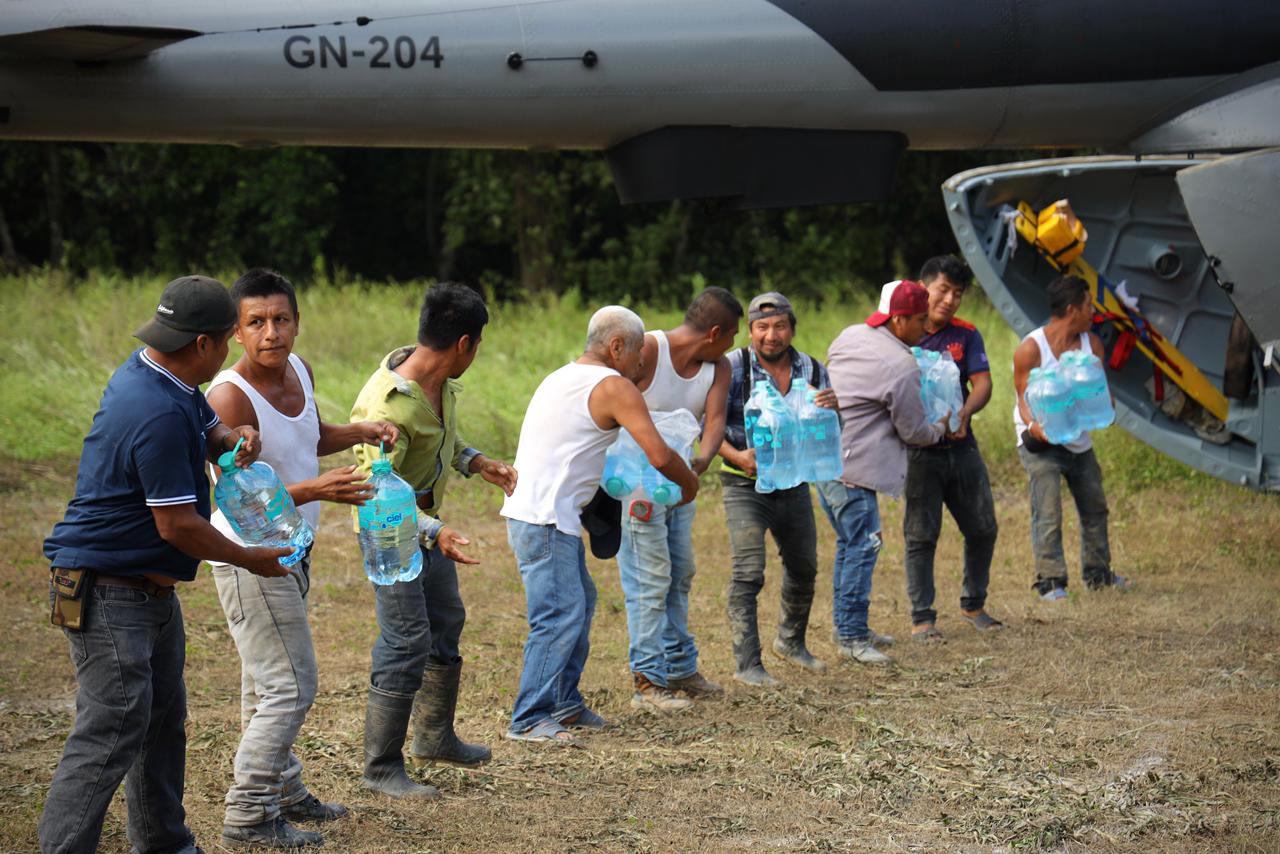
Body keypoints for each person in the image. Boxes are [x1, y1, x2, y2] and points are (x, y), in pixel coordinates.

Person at [39, 276, 294, 854]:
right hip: (108, 591)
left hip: (148, 592)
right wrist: (249, 557)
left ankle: (164, 843)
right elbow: (176, 525)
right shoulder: (153, 409)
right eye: (230, 337)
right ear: (206, 343)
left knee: (160, 724)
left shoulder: (166, 374)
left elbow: (211, 429)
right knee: (109, 732)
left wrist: (236, 439)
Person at [206, 269, 398, 847]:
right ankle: (249, 815)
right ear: (236, 333)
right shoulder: (227, 394)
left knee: (265, 684)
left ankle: (281, 789)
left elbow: (305, 438)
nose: (271, 333)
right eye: (256, 322)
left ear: (297, 322)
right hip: (249, 552)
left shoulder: (301, 372)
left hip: (294, 548)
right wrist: (315, 491)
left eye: (281, 319)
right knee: (292, 683)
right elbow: (229, 495)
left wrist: (360, 429)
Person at [349, 282, 517, 799]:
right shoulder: (385, 406)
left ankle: (433, 736)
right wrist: (436, 532)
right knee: (404, 640)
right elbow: (375, 494)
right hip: (390, 530)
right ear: (466, 343)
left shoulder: (437, 380)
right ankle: (380, 767)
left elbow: (443, 437)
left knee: (446, 621)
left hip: (427, 522)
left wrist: (475, 461)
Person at [502, 306, 699, 746]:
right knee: (558, 616)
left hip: (544, 514)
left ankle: (565, 703)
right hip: (545, 517)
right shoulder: (613, 386)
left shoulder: (562, 376)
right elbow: (660, 454)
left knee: (581, 602)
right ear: (617, 347)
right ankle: (530, 716)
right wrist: (690, 484)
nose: (643, 365)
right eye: (639, 356)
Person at [617, 287, 741, 711]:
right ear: (715, 332)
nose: (733, 345)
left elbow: (715, 419)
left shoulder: (718, 367)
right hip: (635, 489)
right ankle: (648, 682)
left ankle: (679, 665)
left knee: (680, 571)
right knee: (649, 579)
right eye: (732, 335)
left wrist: (700, 461)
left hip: (680, 485)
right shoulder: (648, 349)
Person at [718, 292, 839, 687]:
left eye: (780, 326)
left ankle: (790, 642)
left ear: (792, 328)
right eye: (762, 327)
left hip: (795, 483)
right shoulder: (731, 367)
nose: (772, 335)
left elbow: (829, 429)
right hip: (744, 484)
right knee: (748, 572)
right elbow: (705, 426)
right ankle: (747, 664)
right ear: (750, 331)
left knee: (804, 566)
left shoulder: (812, 368)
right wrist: (738, 457)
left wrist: (834, 410)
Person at [824, 280, 947, 665]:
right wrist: (941, 426)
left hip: (827, 461)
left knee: (849, 546)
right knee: (862, 547)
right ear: (899, 320)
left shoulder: (850, 335)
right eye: (921, 320)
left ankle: (849, 624)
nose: (927, 328)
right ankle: (852, 636)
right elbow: (914, 431)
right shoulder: (900, 364)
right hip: (856, 471)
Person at [1013, 274, 1131, 600]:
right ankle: (1051, 582)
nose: (1093, 311)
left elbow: (1097, 388)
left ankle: (1099, 575)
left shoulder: (1091, 345)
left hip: (1077, 437)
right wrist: (1034, 425)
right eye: (1088, 305)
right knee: (1048, 512)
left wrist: (1104, 402)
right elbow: (1023, 399)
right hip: (1042, 439)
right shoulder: (1030, 348)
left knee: (1095, 507)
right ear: (1071, 309)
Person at [903, 256, 1002, 643]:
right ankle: (922, 618)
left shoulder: (966, 334)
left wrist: (965, 412)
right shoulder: (901, 331)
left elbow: (982, 383)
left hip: (961, 445)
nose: (949, 300)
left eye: (957, 294)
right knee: (921, 534)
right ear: (923, 286)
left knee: (983, 527)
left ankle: (973, 603)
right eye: (942, 290)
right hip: (919, 451)